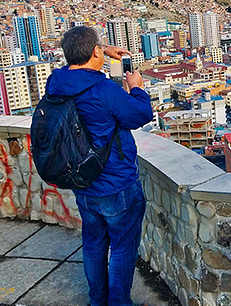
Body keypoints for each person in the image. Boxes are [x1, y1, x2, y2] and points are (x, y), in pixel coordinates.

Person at [45, 26, 154, 306]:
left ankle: (98, 300)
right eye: (99, 49)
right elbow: (139, 114)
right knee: (121, 247)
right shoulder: (102, 90)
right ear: (95, 52)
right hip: (115, 183)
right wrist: (137, 88)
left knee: (93, 243)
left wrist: (101, 50)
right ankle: (119, 303)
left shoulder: (56, 82)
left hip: (83, 181)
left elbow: (74, 65)